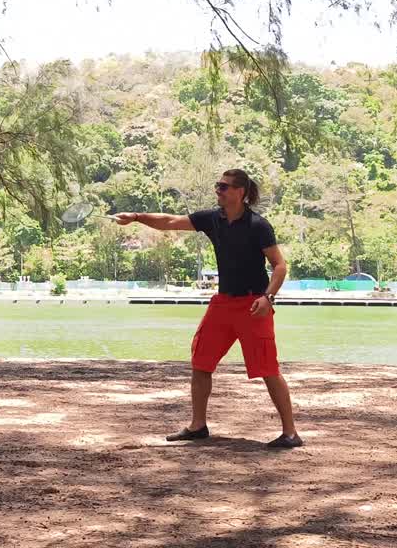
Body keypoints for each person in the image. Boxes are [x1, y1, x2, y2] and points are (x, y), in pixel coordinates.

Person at [115, 168, 301, 448]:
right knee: (200, 362)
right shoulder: (212, 219)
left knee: (267, 368)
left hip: (253, 305)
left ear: (240, 192)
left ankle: (290, 434)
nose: (218, 190)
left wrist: (268, 297)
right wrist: (137, 217)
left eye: (224, 187)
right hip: (223, 303)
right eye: (218, 185)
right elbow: (169, 221)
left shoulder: (258, 225)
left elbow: (280, 265)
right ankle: (198, 426)